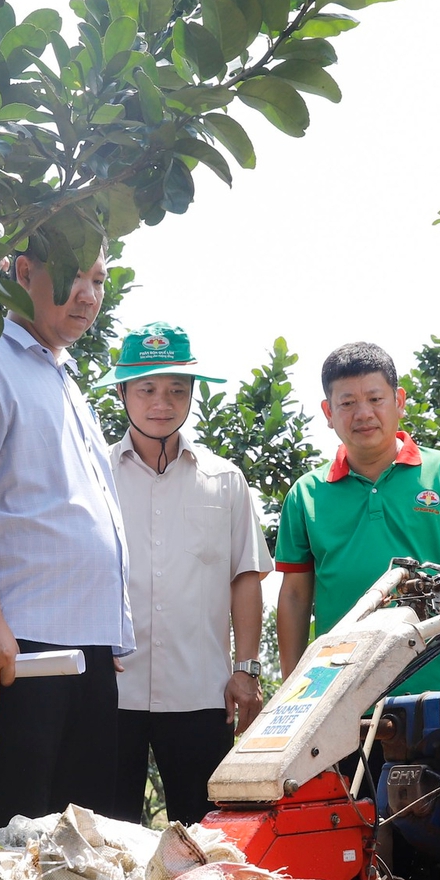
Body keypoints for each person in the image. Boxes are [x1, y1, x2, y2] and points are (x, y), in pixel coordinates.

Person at [0, 241, 133, 828]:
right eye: (75, 275)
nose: (89, 294)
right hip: (17, 655)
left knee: (78, 860)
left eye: (99, 279)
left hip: (85, 651)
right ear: (22, 272)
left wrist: (111, 632)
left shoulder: (63, 376)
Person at [96, 322, 273, 825]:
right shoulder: (94, 475)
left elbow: (245, 576)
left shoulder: (225, 480)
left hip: (201, 691)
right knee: (108, 841)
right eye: (147, 388)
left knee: (208, 837)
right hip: (112, 690)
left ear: (194, 394)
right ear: (121, 392)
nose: (162, 402)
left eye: (177, 389)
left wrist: (247, 669)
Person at [276, 342, 440, 695]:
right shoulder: (306, 494)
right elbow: (295, 598)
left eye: (375, 399)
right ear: (328, 412)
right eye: (347, 403)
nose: (363, 413)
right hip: (335, 692)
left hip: (434, 685)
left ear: (399, 401)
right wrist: (291, 689)